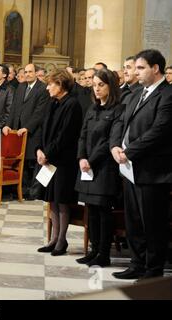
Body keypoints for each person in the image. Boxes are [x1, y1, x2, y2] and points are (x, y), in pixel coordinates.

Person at [110, 49, 172, 281]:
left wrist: (129, 152)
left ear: (155, 68)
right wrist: (115, 146)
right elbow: (120, 122)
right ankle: (136, 264)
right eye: (134, 68)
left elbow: (160, 130)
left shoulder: (168, 94)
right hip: (129, 168)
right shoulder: (137, 93)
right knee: (133, 220)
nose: (135, 72)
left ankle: (153, 269)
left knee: (153, 222)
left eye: (140, 68)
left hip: (153, 170)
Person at [75, 68, 123, 267]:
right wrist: (81, 157)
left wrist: (90, 160)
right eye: (94, 85)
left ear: (110, 86)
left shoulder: (117, 109)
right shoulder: (92, 109)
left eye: (101, 85)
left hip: (104, 168)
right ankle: (93, 250)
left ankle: (104, 253)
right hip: (87, 167)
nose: (96, 89)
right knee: (91, 210)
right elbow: (83, 136)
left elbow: (109, 141)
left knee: (103, 212)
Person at [36, 69, 82, 256]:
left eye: (50, 84)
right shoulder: (52, 103)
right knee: (51, 200)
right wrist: (39, 149)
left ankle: (62, 241)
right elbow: (43, 128)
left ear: (61, 85)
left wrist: (47, 153)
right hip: (49, 159)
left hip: (63, 161)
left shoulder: (72, 105)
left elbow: (65, 135)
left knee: (62, 201)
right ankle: (53, 239)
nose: (47, 88)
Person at [4, 63, 49, 199]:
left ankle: (33, 191)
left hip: (33, 132)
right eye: (26, 72)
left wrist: (28, 127)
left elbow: (39, 113)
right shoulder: (21, 86)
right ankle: (21, 189)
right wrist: (8, 125)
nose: (28, 74)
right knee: (21, 162)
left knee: (32, 162)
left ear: (36, 73)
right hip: (18, 131)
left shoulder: (42, 89)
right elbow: (13, 109)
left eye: (30, 72)